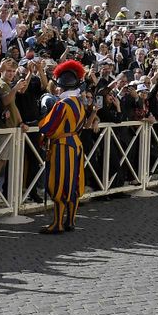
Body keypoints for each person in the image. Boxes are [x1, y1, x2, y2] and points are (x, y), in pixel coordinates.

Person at [37, 59, 97, 234]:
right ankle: (70, 221)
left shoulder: (62, 104)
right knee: (74, 183)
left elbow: (48, 127)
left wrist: (42, 122)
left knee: (59, 183)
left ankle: (58, 223)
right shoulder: (79, 102)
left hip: (62, 145)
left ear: (62, 87)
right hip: (76, 143)